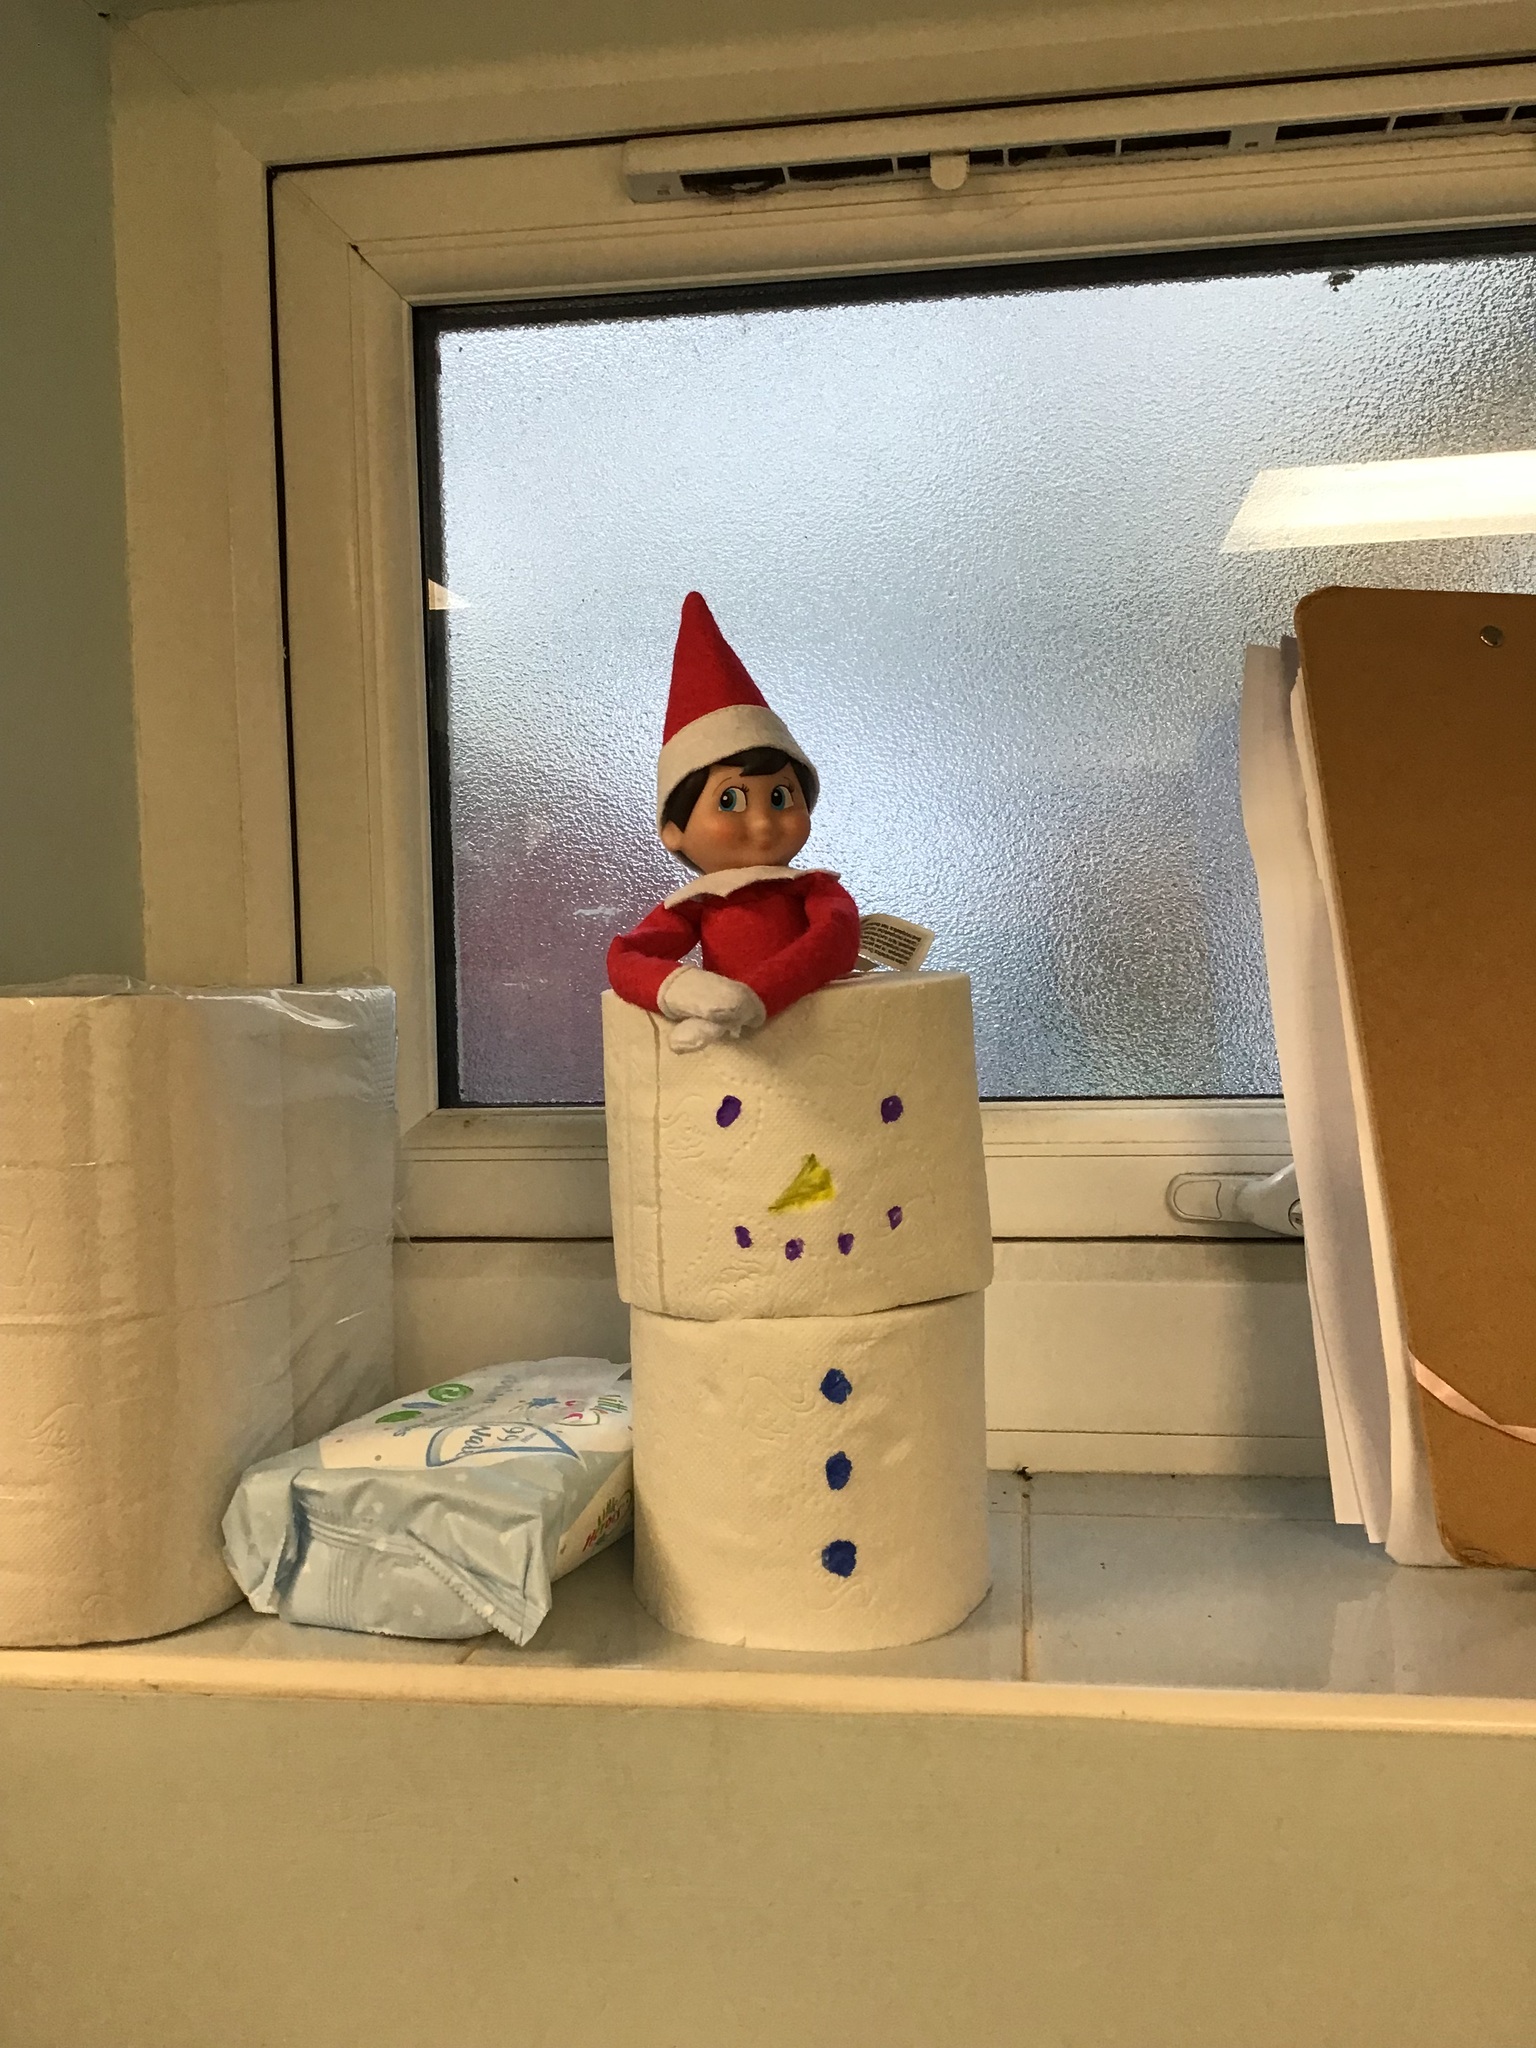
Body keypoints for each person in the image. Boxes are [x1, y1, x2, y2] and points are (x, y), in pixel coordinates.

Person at [607, 592, 861, 1051]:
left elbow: (835, 940)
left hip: (829, 1040)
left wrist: (758, 997)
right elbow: (627, 958)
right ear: (673, 830)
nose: (763, 824)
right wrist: (691, 993)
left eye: (781, 797)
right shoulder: (697, 905)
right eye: (730, 800)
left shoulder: (813, 890)